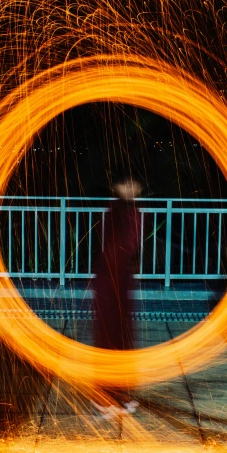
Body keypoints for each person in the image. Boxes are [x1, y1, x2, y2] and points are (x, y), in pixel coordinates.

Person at [91, 175, 143, 418]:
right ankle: (107, 398)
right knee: (110, 339)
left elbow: (127, 247)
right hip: (110, 281)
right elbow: (116, 247)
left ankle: (119, 395)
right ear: (116, 186)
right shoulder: (118, 210)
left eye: (134, 184)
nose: (130, 188)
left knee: (121, 338)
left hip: (119, 280)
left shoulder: (128, 209)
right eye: (126, 183)